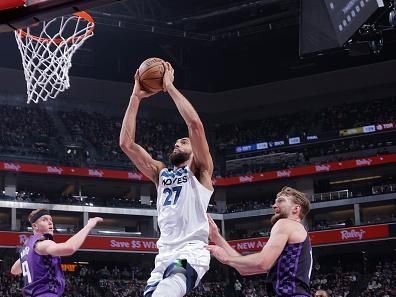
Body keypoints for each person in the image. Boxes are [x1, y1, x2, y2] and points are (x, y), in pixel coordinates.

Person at [119, 61, 214, 297]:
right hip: (164, 257)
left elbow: (195, 125)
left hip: (190, 253)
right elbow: (126, 144)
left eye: (183, 141)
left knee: (171, 286)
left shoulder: (200, 170)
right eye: (176, 142)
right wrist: (136, 96)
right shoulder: (161, 174)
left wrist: (168, 86)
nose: (177, 143)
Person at [207, 186, 312, 297]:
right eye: (275, 202)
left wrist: (226, 258)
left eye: (281, 201)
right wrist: (217, 238)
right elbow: (244, 269)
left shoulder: (285, 223)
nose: (274, 205)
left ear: (296, 209)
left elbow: (263, 262)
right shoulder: (297, 233)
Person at [10, 208, 102, 297]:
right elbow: (70, 248)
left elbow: (14, 270)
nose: (50, 222)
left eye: (51, 220)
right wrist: (88, 226)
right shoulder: (43, 243)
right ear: (34, 226)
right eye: (44, 220)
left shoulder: (27, 249)